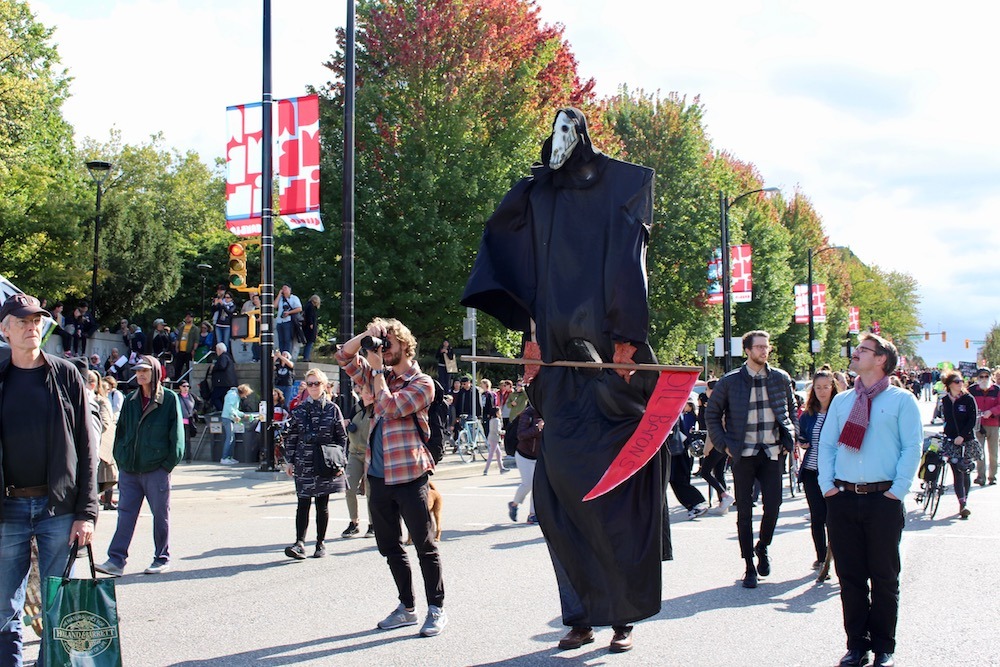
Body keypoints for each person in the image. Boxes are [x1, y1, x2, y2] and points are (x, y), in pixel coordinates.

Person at [462, 108, 663, 652]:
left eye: (569, 133)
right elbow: (522, 259)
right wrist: (531, 334)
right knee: (555, 504)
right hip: (559, 370)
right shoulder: (537, 194)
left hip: (608, 371)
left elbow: (629, 261)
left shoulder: (622, 185)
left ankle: (619, 614)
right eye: (554, 133)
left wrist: (625, 338)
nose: (560, 142)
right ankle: (577, 614)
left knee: (611, 502)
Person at [0, 294, 98, 666]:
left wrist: (87, 512)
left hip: (58, 507)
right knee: (4, 606)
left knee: (58, 604)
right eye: (22, 321)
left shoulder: (65, 373)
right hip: (7, 507)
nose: (32, 327)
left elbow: (87, 447)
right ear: (4, 329)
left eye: (37, 320)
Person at [335, 317, 447, 638]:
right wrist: (366, 337)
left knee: (424, 545)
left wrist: (378, 371)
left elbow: (389, 405)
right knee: (389, 546)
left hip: (411, 474)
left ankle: (436, 609)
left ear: (405, 346)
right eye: (381, 345)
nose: (383, 351)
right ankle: (407, 608)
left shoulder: (423, 382)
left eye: (389, 345)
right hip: (378, 476)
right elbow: (344, 355)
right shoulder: (375, 372)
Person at [818, 333, 921, 667]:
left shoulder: (901, 401)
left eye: (863, 350)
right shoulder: (843, 400)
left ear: (881, 360)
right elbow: (828, 445)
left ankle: (883, 646)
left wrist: (898, 490)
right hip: (844, 498)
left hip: (883, 499)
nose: (856, 353)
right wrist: (827, 486)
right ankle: (856, 646)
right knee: (850, 577)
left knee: (884, 576)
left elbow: (911, 447)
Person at [705, 330, 798, 589]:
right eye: (758, 347)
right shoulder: (730, 381)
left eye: (766, 347)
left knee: (774, 506)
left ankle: (763, 546)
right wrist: (724, 446)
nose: (763, 351)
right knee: (744, 511)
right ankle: (748, 566)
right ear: (747, 350)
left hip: (772, 452)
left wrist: (790, 437)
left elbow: (791, 411)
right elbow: (712, 414)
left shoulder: (780, 378)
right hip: (742, 454)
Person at [96, 355, 184, 577]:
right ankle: (116, 560)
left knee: (160, 516)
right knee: (125, 515)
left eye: (145, 370)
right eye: (137, 371)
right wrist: (121, 457)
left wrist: (167, 465)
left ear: (155, 372)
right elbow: (121, 432)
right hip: (130, 469)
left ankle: (161, 558)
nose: (140, 374)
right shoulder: (130, 400)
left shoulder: (170, 399)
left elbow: (177, 438)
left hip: (156, 469)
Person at [282, 368, 347, 559]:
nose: (312, 387)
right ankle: (299, 543)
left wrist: (340, 462)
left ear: (324, 385)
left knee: (322, 504)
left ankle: (320, 543)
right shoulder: (300, 409)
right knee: (302, 502)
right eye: (309, 384)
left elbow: (341, 437)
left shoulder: (332, 409)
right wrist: (289, 461)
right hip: (304, 461)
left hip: (325, 461)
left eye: (316, 383)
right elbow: (291, 436)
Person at [796, 370, 838, 568]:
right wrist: (802, 441)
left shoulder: (840, 411)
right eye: (818, 387)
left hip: (835, 474)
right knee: (817, 516)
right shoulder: (808, 414)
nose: (822, 391)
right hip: (812, 471)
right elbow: (802, 435)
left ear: (833, 388)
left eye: (826, 387)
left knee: (835, 518)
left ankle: (838, 555)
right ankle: (821, 558)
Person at [940, 370, 979, 518]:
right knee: (956, 471)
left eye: (961, 381)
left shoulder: (968, 399)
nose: (960, 384)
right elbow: (946, 420)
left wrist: (962, 436)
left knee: (965, 469)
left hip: (966, 440)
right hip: (951, 441)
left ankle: (965, 501)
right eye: (957, 382)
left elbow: (972, 420)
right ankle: (962, 503)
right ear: (949, 385)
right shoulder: (945, 400)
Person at [343, 383, 375, 538]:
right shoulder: (355, 408)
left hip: (371, 455)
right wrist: (346, 424)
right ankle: (353, 522)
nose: (368, 395)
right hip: (354, 454)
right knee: (349, 488)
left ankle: (372, 524)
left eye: (371, 392)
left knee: (370, 490)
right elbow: (346, 423)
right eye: (365, 392)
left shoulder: (377, 410)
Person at [697, 381, 735, 512]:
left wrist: (707, 449)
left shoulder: (715, 405)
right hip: (726, 443)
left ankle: (724, 495)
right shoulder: (726, 402)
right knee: (719, 473)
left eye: (707, 389)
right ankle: (723, 502)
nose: (705, 391)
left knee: (705, 472)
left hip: (716, 443)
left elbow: (713, 430)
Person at [669, 402, 708, 519]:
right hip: (679, 449)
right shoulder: (677, 411)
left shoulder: (673, 410)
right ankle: (695, 504)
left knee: (677, 480)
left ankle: (696, 503)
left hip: (675, 450)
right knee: (678, 480)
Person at [88, 370, 120, 511]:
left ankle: (106, 501)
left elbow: (105, 423)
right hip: (89, 446)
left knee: (105, 476)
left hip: (101, 445)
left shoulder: (101, 401)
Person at [508, 403, 542, 524]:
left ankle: (532, 514)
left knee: (536, 485)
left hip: (540, 456)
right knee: (528, 483)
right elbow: (521, 435)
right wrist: (537, 428)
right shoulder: (528, 414)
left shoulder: (548, 413)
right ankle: (514, 504)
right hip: (524, 455)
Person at [968, 367, 999, 486]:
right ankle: (981, 476)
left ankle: (992, 476)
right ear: (977, 378)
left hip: (993, 424)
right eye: (981, 376)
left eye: (986, 376)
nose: (984, 379)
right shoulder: (971, 390)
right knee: (979, 451)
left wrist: (992, 411)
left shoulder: (996, 390)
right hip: (977, 425)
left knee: (993, 452)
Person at [220, 384, 253, 465]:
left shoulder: (234, 395)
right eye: (245, 394)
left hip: (229, 418)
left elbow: (234, 409)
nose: (245, 396)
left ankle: (229, 457)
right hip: (228, 418)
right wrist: (236, 416)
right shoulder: (233, 395)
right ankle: (224, 458)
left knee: (232, 438)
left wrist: (242, 415)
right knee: (230, 438)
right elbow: (230, 407)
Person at [274, 284, 303, 356]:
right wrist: (279, 295)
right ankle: (280, 356)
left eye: (285, 288)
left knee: (287, 339)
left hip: (288, 321)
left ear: (289, 290)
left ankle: (287, 356)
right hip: (280, 321)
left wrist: (289, 312)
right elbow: (274, 305)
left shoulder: (294, 298)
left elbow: (299, 308)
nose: (284, 289)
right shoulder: (281, 298)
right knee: (281, 340)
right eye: (283, 288)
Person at [210, 342, 237, 411]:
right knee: (222, 398)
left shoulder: (223, 357)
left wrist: (214, 367)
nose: (216, 352)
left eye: (216, 350)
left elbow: (222, 366)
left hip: (222, 383)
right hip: (226, 383)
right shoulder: (228, 356)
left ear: (219, 349)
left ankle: (222, 411)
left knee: (215, 397)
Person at [174, 312, 199, 382]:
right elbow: (178, 338)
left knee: (189, 368)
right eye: (187, 317)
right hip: (181, 350)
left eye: (190, 317)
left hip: (189, 351)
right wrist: (176, 347)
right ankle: (176, 382)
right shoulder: (182, 328)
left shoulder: (195, 329)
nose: (188, 318)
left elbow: (196, 340)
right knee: (178, 367)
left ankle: (188, 382)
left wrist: (194, 349)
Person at [482, 406, 507, 475]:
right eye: (499, 411)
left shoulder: (492, 420)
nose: (500, 413)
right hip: (494, 438)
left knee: (499, 454)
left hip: (491, 438)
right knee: (491, 454)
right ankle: (486, 470)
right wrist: (504, 432)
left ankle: (501, 468)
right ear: (496, 413)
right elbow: (497, 431)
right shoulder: (497, 420)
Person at [178, 380, 197, 463]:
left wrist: (194, 411)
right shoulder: (177, 397)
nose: (186, 388)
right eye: (184, 386)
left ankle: (188, 457)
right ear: (180, 387)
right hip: (179, 422)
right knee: (178, 439)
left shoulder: (191, 396)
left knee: (187, 440)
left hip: (188, 421)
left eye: (187, 386)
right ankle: (179, 455)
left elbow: (200, 402)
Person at [301, 294, 321, 361]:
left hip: (306, 327)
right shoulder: (311, 307)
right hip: (310, 328)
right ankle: (306, 357)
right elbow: (310, 316)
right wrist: (311, 324)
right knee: (309, 342)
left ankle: (306, 356)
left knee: (308, 343)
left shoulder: (307, 305)